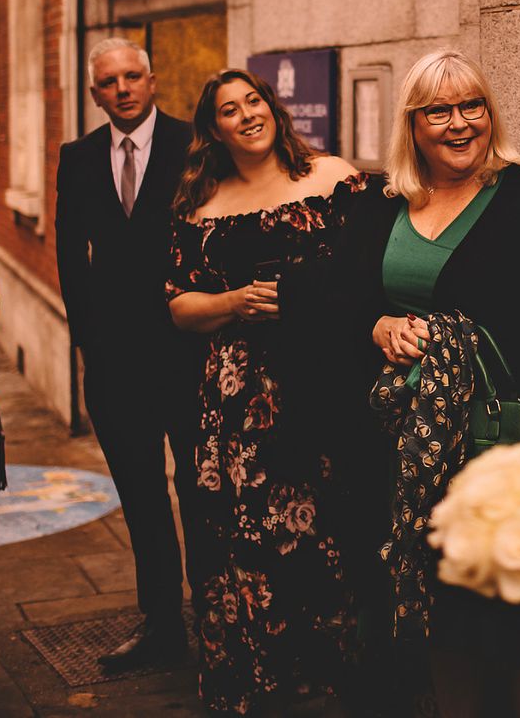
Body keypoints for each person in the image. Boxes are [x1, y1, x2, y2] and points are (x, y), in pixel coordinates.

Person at [341, 49, 520, 717]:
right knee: (414, 597)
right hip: (397, 445)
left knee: (488, 614)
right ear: (413, 125)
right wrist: (381, 326)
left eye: (471, 105)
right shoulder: (385, 202)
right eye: (438, 111)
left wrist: (452, 339)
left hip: (490, 447)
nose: (458, 123)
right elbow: (349, 298)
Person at [166, 69, 367, 716]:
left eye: (254, 100)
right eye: (229, 109)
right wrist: (231, 301)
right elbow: (178, 306)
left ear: (273, 108)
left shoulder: (334, 178)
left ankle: (340, 677)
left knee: (331, 524)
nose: (247, 114)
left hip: (325, 381)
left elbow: (370, 273)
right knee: (246, 534)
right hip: (238, 397)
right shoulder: (200, 203)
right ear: (214, 129)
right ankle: (262, 676)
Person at [54, 37, 206, 671]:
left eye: (132, 77)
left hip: (186, 354)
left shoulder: (195, 145)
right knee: (141, 495)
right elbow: (69, 255)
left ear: (153, 80)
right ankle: (162, 623)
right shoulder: (78, 157)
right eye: (109, 82)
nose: (122, 89)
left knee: (201, 491)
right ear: (95, 94)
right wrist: (89, 343)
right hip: (114, 366)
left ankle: (221, 614)